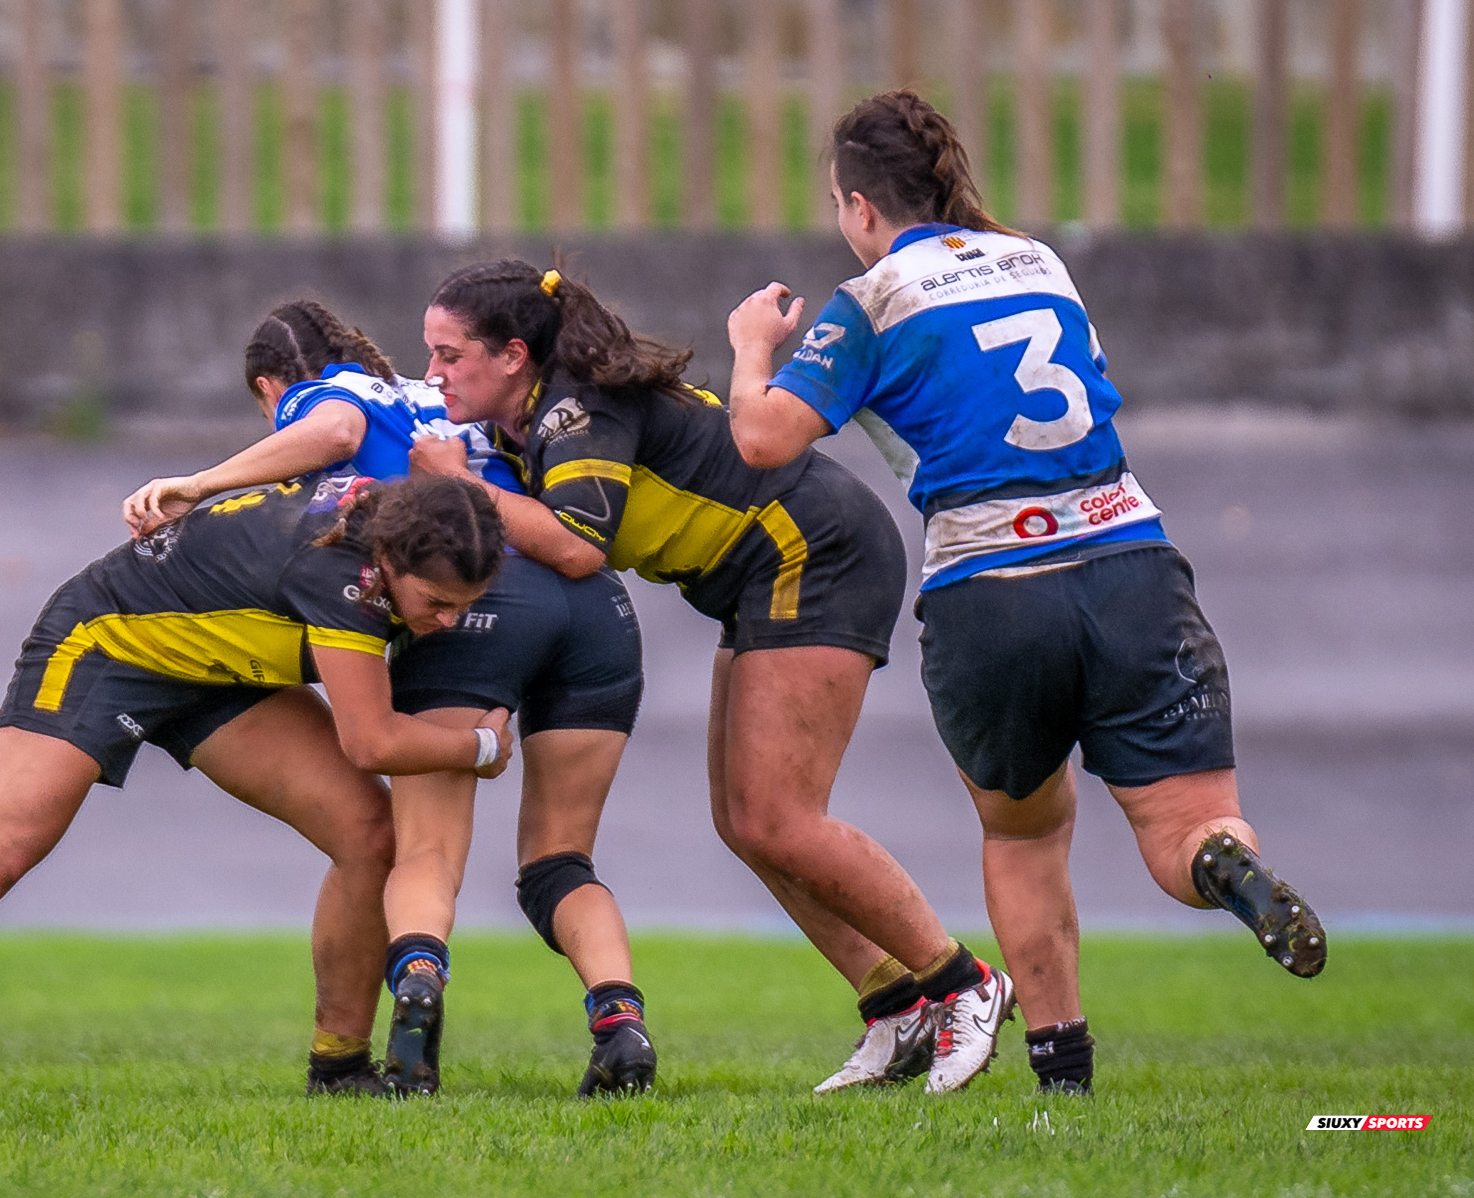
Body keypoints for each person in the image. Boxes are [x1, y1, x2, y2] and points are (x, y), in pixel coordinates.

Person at [722, 89, 1327, 1095]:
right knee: (1186, 829)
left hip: (992, 584)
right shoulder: (1040, 261)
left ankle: (1065, 1077)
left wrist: (752, 347)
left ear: (862, 207)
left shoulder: (870, 298)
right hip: (1132, 560)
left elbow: (761, 440)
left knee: (1027, 829)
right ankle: (1230, 868)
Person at [409, 262, 1012, 1096]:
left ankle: (963, 983)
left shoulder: (575, 407)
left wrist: (462, 485)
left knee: (779, 817)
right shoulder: (538, 412)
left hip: (815, 551)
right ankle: (896, 1002)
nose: (433, 372)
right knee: (747, 821)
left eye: (448, 355)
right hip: (760, 575)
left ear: (513, 355)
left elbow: (580, 544)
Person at [0, 472, 512, 1101]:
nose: (444, 621)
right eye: (434, 604)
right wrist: (479, 747)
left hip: (221, 667)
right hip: (107, 642)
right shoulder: (345, 575)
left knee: (369, 836)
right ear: (391, 563)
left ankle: (338, 1070)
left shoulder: (398, 525)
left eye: (462, 607)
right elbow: (370, 739)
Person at [122, 301, 654, 1097]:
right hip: (596, 608)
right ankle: (621, 1025)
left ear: (272, 387)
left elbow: (332, 436)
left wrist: (200, 483)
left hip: (479, 593)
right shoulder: (432, 394)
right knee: (559, 861)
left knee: (426, 854)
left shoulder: (330, 392)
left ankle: (415, 999)